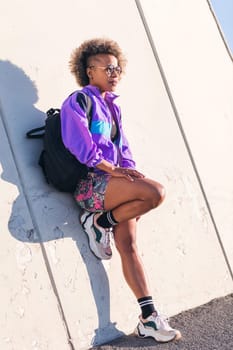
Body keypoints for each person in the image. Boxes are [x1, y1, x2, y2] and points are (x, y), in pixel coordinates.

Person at [60, 38, 181, 343]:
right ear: (90, 71)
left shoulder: (113, 109)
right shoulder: (78, 102)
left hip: (114, 187)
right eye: (108, 68)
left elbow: (123, 151)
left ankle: (149, 318)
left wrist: (129, 173)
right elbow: (80, 146)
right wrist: (115, 172)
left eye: (118, 69)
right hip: (90, 186)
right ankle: (99, 222)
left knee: (128, 246)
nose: (115, 73)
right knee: (155, 193)